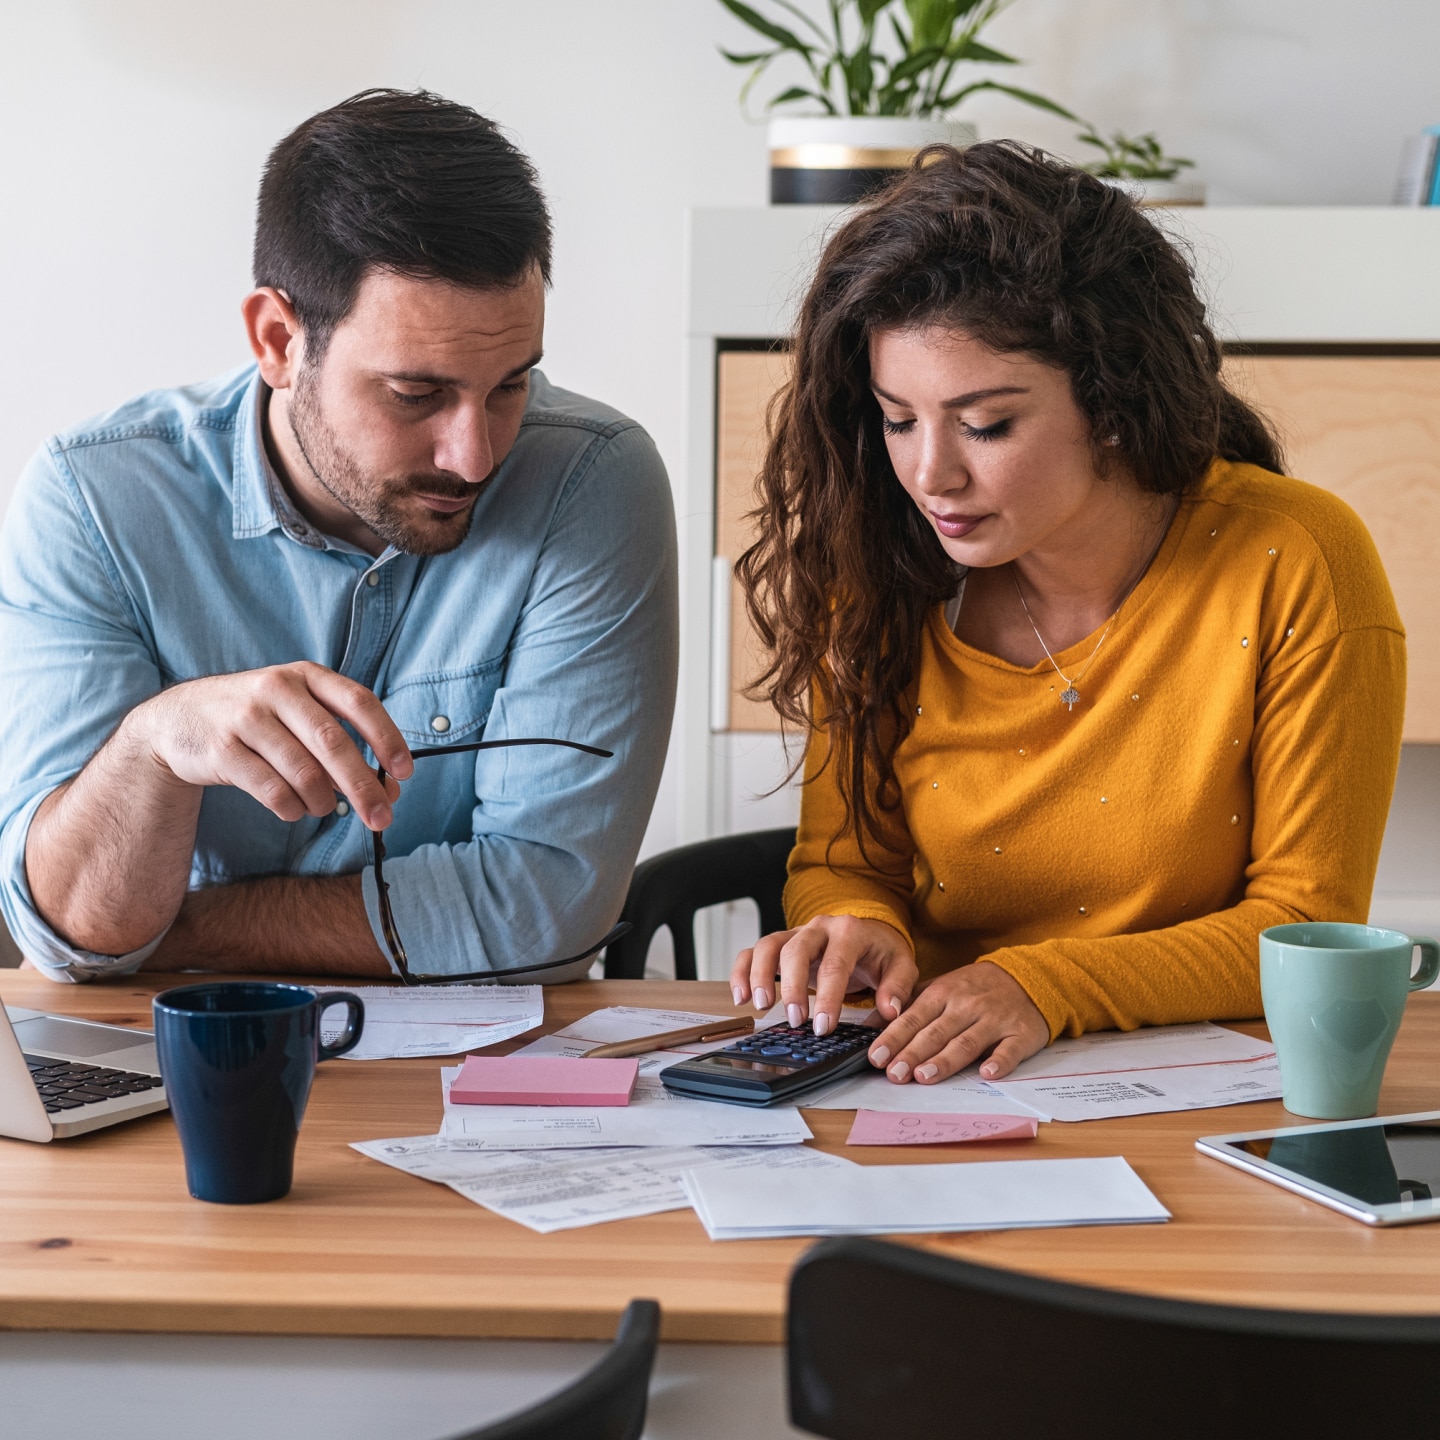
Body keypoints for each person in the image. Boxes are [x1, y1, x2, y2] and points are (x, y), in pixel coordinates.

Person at [730, 141, 1405, 1085]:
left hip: (1190, 1096)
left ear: (1114, 399)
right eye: (898, 418)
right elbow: (845, 862)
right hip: (927, 1079)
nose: (931, 474)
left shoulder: (1296, 560)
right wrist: (858, 928)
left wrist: (1043, 986)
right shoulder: (880, 568)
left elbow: (1301, 924)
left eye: (986, 424)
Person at [0, 89, 677, 983]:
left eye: (511, 384)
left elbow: (547, 909)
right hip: (174, 1067)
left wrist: (171, 933)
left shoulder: (593, 482)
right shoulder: (96, 499)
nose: (474, 455)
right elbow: (71, 931)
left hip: (478, 1086)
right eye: (415, 395)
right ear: (278, 339)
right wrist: (153, 747)